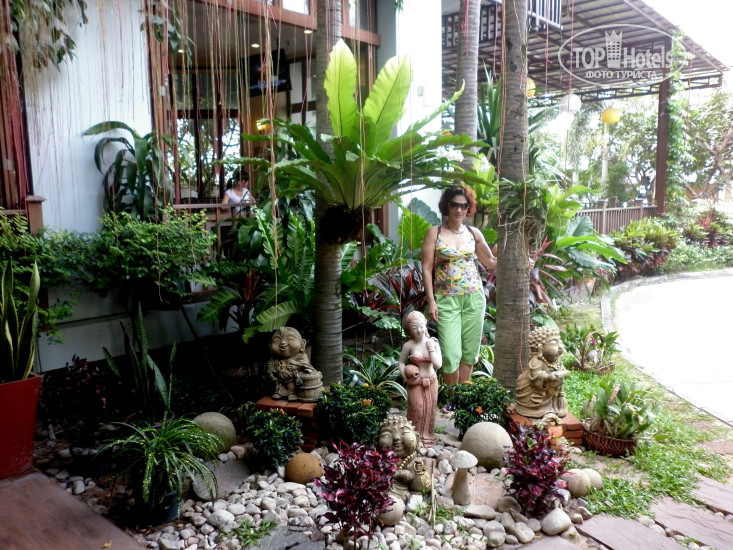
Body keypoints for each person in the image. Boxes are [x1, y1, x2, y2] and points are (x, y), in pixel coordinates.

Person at [421, 185, 497, 385]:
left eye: (464, 206)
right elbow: (426, 268)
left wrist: (518, 259)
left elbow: (490, 262)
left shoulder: (474, 233)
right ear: (447, 205)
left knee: (470, 351)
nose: (459, 209)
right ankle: (452, 395)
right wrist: (432, 302)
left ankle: (463, 395)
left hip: (474, 298)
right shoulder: (434, 233)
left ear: (468, 208)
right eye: (455, 204)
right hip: (446, 300)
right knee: (450, 353)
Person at [398, 311, 442, 446]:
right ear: (409, 329)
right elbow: (401, 363)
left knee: (430, 409)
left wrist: (431, 348)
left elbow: (438, 365)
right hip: (415, 383)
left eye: (421, 326)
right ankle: (413, 437)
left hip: (431, 380)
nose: (419, 330)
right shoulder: (409, 345)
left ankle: (428, 436)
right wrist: (406, 378)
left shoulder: (433, 343)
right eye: (415, 327)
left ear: (426, 324)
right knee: (417, 408)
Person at [514, 326, 570, 419]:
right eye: (554, 343)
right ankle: (541, 410)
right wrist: (548, 376)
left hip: (551, 394)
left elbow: (559, 369)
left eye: (560, 342)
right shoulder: (536, 360)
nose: (560, 347)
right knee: (538, 407)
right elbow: (535, 376)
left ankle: (556, 407)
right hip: (534, 394)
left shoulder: (555, 361)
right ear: (541, 347)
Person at [376, 415, 432, 502]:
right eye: (386, 435)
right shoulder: (379, 461)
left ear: (417, 439)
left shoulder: (414, 462)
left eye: (404, 433)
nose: (396, 438)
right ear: (376, 442)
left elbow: (424, 487)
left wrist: (418, 472)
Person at [266, 326, 322, 402]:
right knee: (277, 384)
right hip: (279, 379)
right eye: (277, 340)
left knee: (292, 385)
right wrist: (270, 370)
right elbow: (270, 365)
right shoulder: (274, 358)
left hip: (293, 379)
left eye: (290, 339)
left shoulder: (301, 356)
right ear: (270, 345)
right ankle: (278, 392)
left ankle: (292, 393)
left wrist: (296, 366)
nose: (283, 343)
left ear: (302, 344)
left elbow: (306, 365)